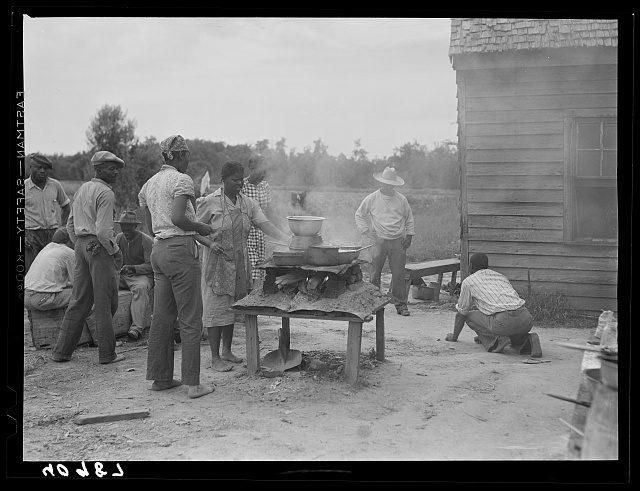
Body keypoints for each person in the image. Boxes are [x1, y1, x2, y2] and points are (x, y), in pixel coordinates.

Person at [138, 134, 214, 399]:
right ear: (180, 156)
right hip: (181, 252)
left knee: (162, 318)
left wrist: (188, 232)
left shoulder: (149, 184)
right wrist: (200, 227)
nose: (189, 160)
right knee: (191, 318)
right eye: (188, 155)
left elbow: (150, 226)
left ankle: (161, 379)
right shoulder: (182, 180)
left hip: (159, 250)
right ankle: (193, 384)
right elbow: (179, 218)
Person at [196, 161, 290, 372]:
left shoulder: (248, 203)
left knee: (232, 307)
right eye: (235, 180)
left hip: (239, 262)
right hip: (216, 262)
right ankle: (215, 357)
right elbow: (194, 230)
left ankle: (227, 351)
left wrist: (287, 239)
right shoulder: (210, 202)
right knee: (215, 307)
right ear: (223, 179)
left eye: (241, 180)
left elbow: (264, 224)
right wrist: (210, 243)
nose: (239, 184)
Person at [51, 151, 126, 365]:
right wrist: (115, 251)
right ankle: (107, 354)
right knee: (106, 301)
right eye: (111, 168)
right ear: (99, 170)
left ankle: (61, 352)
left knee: (79, 301)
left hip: (82, 245)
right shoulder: (106, 193)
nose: (116, 172)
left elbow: (69, 225)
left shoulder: (83, 188)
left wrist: (80, 245)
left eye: (117, 168)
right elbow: (103, 232)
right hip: (100, 247)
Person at [445, 253, 542, 358]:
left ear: (471, 266)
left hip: (503, 321)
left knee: (469, 316)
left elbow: (461, 313)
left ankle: (495, 340)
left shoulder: (469, 282)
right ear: (487, 265)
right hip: (525, 318)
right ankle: (527, 341)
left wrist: (454, 337)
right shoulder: (500, 277)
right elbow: (512, 303)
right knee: (506, 322)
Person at [354, 166, 415, 316]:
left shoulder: (401, 199)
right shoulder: (372, 198)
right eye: (385, 182)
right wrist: (365, 231)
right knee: (374, 274)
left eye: (390, 183)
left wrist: (409, 236)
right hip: (378, 241)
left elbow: (409, 219)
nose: (388, 185)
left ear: (394, 184)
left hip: (398, 242)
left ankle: (401, 305)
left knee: (399, 274)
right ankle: (375, 304)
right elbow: (359, 214)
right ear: (381, 182)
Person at [24, 153, 71, 274]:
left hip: (52, 234)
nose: (42, 171)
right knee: (30, 272)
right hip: (30, 235)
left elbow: (65, 206)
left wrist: (63, 228)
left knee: (52, 271)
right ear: (31, 167)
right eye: (38, 167)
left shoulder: (55, 185)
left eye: (45, 168)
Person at [114, 210, 154, 341]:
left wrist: (134, 268)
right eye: (122, 226)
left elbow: (152, 265)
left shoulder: (146, 240)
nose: (125, 229)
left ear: (135, 226)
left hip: (141, 276)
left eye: (128, 227)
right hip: (123, 275)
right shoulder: (119, 238)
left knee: (140, 288)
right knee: (103, 282)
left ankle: (136, 328)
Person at [241, 154, 277, 282]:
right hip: (247, 233)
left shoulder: (265, 186)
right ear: (251, 168)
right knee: (251, 267)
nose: (262, 175)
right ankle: (248, 296)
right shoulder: (242, 186)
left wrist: (277, 227)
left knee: (260, 266)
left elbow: (268, 210)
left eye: (264, 171)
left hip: (261, 234)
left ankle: (254, 296)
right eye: (260, 171)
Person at [24, 227, 75, 311]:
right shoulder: (68, 252)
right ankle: (81, 323)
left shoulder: (47, 248)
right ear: (70, 240)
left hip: (26, 297)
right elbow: (77, 282)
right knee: (83, 293)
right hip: (41, 298)